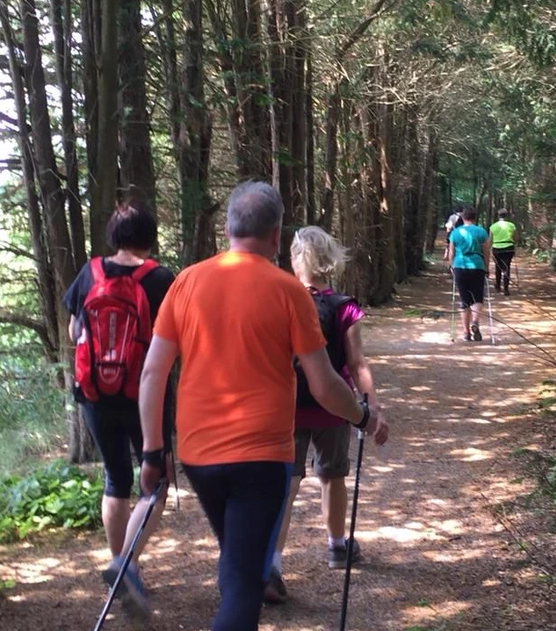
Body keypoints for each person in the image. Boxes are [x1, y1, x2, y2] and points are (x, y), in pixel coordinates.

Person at [136, 181, 382, 631]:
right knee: (244, 584)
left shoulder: (186, 282)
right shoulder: (288, 292)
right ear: (275, 236)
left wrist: (153, 452)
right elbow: (324, 384)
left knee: (239, 566)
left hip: (199, 456)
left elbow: (153, 373)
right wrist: (363, 416)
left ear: (229, 228)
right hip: (261, 456)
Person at [61, 201, 177, 619]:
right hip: (144, 394)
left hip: (94, 395)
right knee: (156, 481)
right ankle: (126, 565)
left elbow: (75, 330)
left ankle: (123, 564)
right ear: (149, 235)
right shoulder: (160, 279)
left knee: (116, 477)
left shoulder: (89, 272)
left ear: (114, 235)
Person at [264, 226, 390, 604]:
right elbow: (356, 362)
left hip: (286, 407)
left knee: (286, 485)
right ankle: (337, 546)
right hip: (334, 407)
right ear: (329, 259)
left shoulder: (278, 300)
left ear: (294, 260)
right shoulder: (344, 306)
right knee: (333, 476)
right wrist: (370, 407)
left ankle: (272, 564)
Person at [447, 206, 490, 341]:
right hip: (477, 265)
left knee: (464, 300)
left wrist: (451, 265)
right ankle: (475, 322)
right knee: (477, 297)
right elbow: (487, 251)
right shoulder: (481, 231)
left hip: (460, 265)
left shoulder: (456, 232)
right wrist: (487, 267)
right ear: (475, 218)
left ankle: (466, 333)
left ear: (463, 218)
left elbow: (451, 251)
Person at [490, 208, 517, 295]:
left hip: (497, 248)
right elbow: (515, 237)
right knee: (507, 267)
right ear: (506, 216)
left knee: (498, 267)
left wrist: (489, 249)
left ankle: (498, 286)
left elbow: (490, 239)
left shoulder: (493, 226)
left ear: (498, 216)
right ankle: (506, 289)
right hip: (509, 247)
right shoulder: (511, 225)